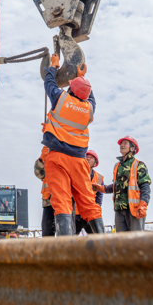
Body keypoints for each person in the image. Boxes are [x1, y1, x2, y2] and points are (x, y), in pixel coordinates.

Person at [41, 54, 104, 236]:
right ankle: (105, 245)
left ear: (70, 89)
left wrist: (53, 66)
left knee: (61, 202)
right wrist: (83, 77)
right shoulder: (88, 110)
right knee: (88, 202)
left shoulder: (61, 99)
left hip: (57, 158)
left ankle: (65, 249)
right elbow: (91, 99)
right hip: (78, 161)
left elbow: (49, 83)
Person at [96, 136, 151, 232]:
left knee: (136, 241)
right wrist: (101, 188)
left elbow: (145, 187)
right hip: (119, 210)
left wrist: (143, 205)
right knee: (121, 243)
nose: (122, 145)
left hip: (134, 209)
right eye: (121, 143)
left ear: (132, 148)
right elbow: (117, 186)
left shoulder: (138, 165)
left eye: (125, 143)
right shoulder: (117, 166)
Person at [74, 150, 104, 234]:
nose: (87, 159)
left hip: (90, 214)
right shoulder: (76, 174)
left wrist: (96, 209)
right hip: (76, 215)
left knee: (98, 239)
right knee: (70, 241)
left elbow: (99, 196)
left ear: (95, 163)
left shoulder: (99, 178)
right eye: (86, 157)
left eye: (90, 158)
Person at [33, 149, 55, 237]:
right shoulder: (48, 163)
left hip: (65, 202)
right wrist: (43, 158)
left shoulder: (67, 157)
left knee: (65, 233)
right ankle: (49, 251)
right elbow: (38, 173)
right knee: (47, 232)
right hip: (48, 202)